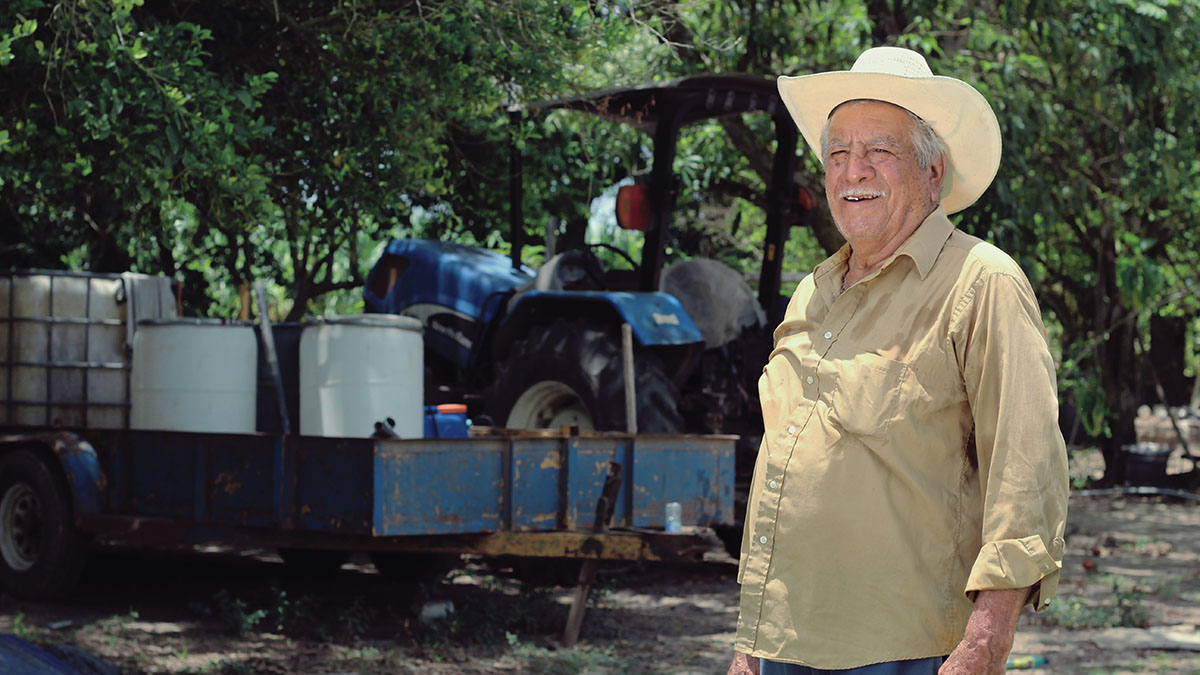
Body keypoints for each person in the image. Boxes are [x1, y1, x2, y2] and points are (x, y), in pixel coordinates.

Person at [727, 46, 1069, 675]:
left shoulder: (980, 281)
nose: (852, 171)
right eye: (837, 154)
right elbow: (784, 470)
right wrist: (750, 646)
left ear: (932, 173)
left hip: (906, 652)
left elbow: (1025, 473)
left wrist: (986, 640)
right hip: (786, 646)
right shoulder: (813, 292)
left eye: (878, 151)